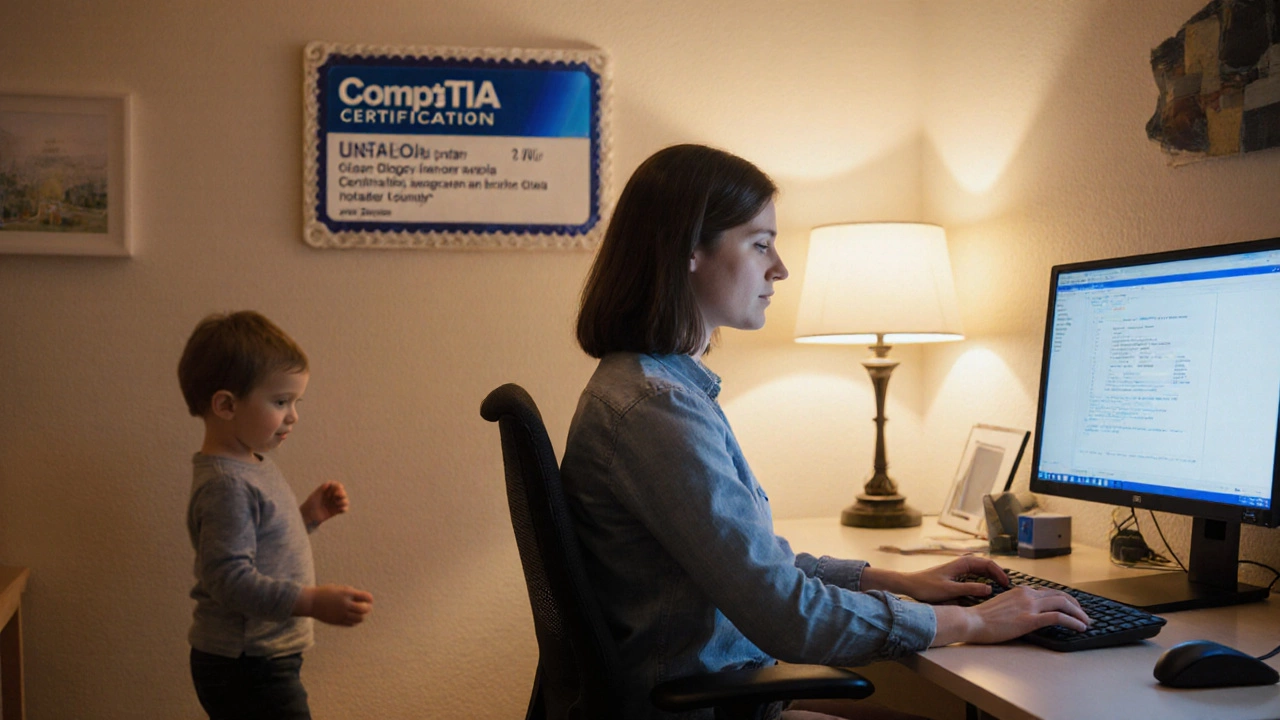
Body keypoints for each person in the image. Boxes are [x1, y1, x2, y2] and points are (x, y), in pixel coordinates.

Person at [559, 144, 1090, 720]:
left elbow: (758, 567)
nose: (780, 268)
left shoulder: (655, 389)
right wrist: (970, 621)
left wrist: (891, 579)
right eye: (760, 243)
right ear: (690, 247)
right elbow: (786, 616)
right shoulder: (655, 409)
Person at [178, 310, 374, 720]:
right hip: (245, 663)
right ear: (227, 404)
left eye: (295, 402)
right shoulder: (227, 485)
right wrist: (313, 602)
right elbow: (230, 580)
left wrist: (307, 517)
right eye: (281, 401)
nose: (293, 415)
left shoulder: (250, 465)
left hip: (260, 656)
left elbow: (259, 545)